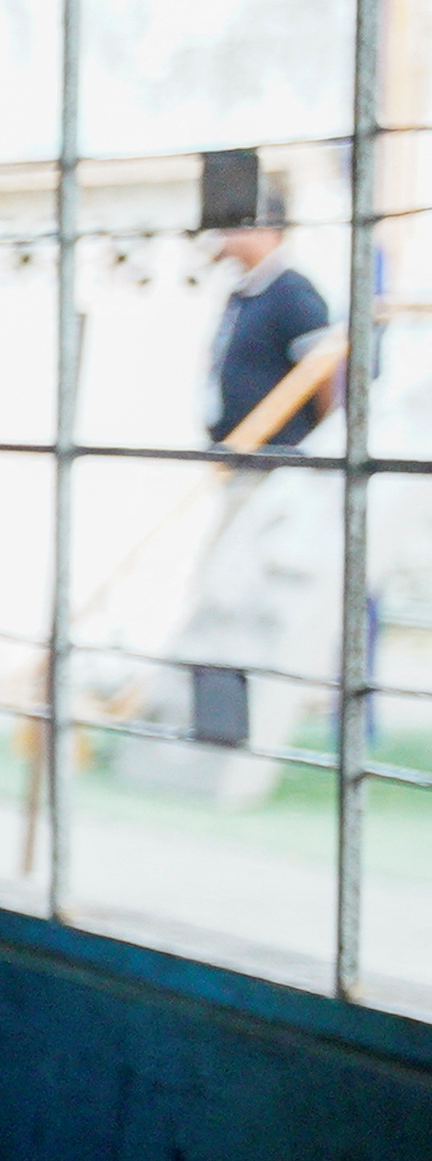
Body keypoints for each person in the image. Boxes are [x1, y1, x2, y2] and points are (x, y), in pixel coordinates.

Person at [178, 181, 345, 757]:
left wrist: (325, 448)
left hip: (273, 466)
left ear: (266, 228)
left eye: (236, 224)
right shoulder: (242, 293)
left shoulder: (294, 292)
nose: (226, 237)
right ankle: (211, 710)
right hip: (236, 460)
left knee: (233, 580)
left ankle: (230, 715)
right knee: (221, 583)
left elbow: (327, 375)